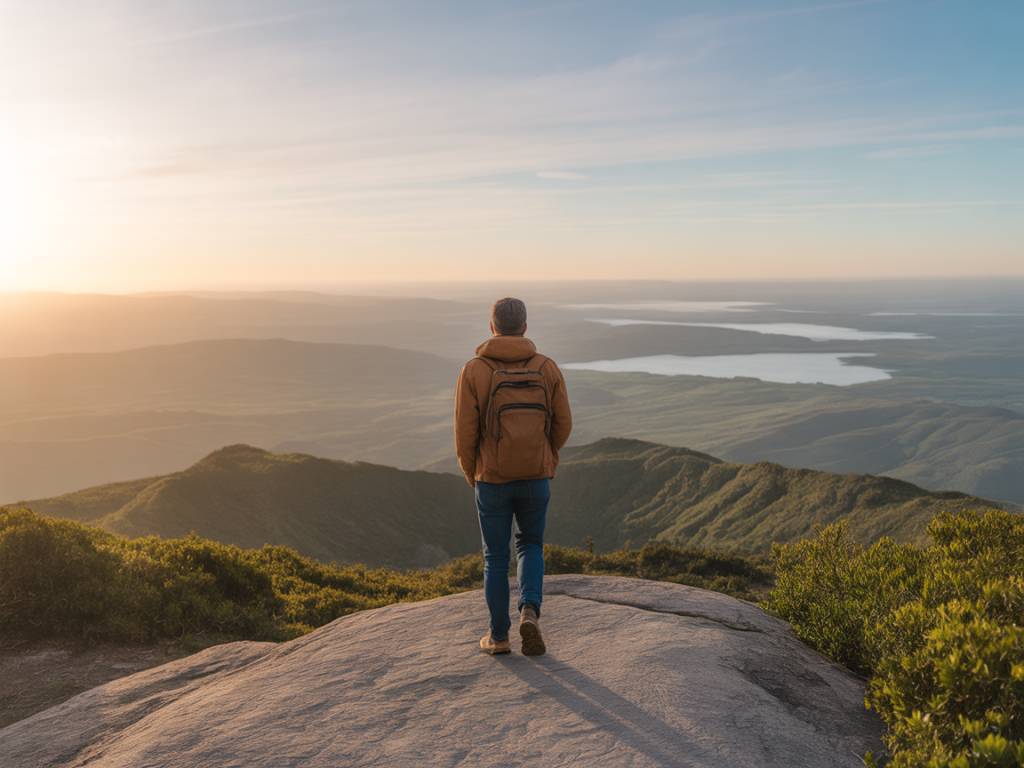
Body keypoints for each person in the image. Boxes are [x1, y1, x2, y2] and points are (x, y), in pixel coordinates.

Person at [454, 297, 572, 656]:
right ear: (524, 327)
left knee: (495, 557)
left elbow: (465, 433)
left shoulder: (474, 370)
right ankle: (530, 611)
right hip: (536, 476)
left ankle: (499, 636)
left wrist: (471, 470)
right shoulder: (546, 367)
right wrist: (546, 455)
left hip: (492, 478)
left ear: (492, 327)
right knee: (531, 545)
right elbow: (563, 424)